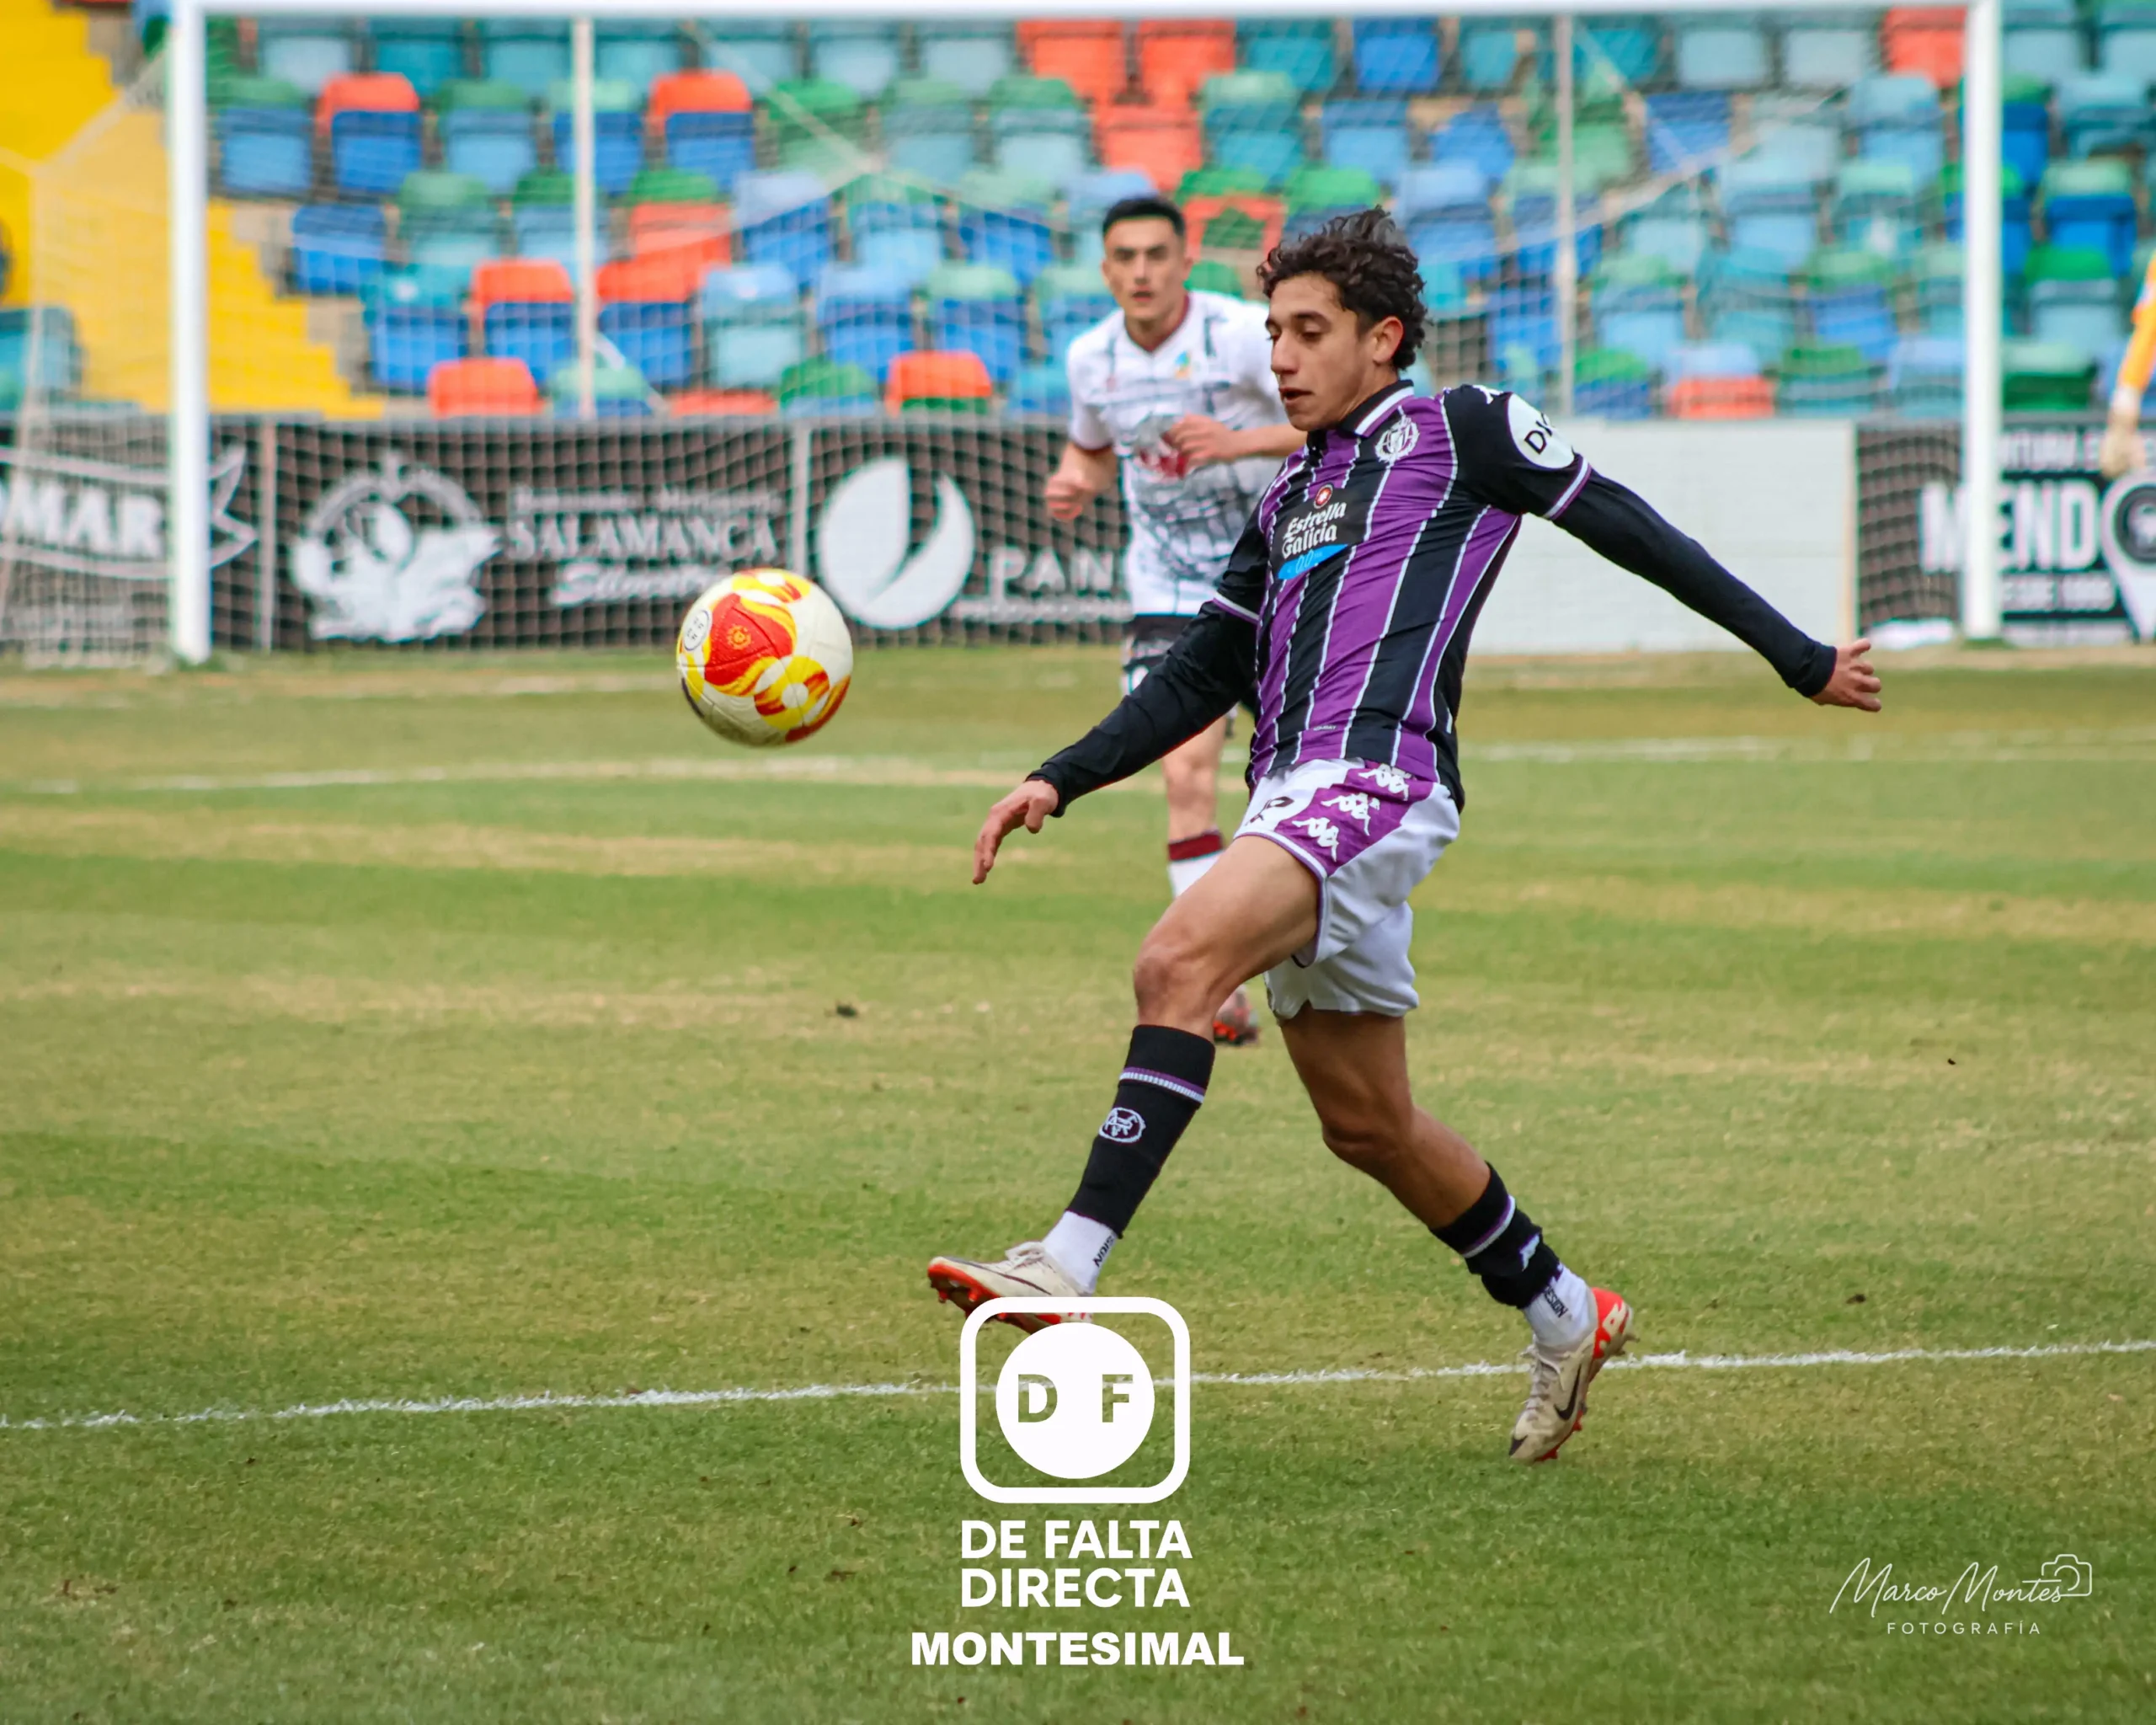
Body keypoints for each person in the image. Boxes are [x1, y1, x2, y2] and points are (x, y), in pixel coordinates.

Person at [930, 210, 1883, 1465]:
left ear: (1384, 340)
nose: (1282, 357)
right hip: (1293, 801)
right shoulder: (1288, 494)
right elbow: (1199, 671)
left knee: (1176, 964)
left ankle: (1067, 1264)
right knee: (1367, 1126)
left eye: (1310, 332)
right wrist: (1060, 778)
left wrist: (1798, 654)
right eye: (1273, 332)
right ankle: (1565, 1312)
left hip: (1380, 781)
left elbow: (1632, 529)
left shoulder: (1466, 429)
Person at [1047, 194, 1307, 1044]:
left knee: (1285, 786)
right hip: (1167, 588)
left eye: (1157, 255)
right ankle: (1216, 983)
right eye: (1125, 257)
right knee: (1185, 771)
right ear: (1106, 271)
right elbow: (1090, 444)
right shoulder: (1090, 358)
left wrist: (1236, 443)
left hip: (1275, 573)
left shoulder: (1240, 337)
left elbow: (1330, 421)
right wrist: (1075, 479)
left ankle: (1288, 951)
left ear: (1185, 261)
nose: (1142, 272)